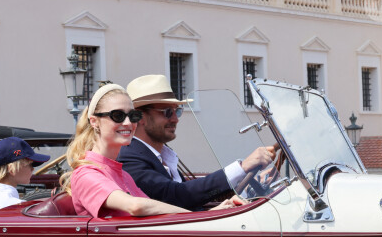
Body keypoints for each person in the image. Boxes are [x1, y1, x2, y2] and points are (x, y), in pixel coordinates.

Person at [60, 83, 244, 218]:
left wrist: (213, 213)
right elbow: (136, 206)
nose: (127, 123)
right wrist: (200, 218)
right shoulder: (87, 173)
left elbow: (156, 213)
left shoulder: (121, 173)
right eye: (117, 115)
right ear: (94, 121)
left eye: (132, 115)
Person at [118, 74, 276, 210]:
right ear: (139, 117)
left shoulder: (160, 155)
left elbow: (188, 198)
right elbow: (177, 195)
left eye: (177, 111)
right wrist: (242, 167)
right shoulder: (129, 158)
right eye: (167, 112)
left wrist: (247, 182)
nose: (175, 119)